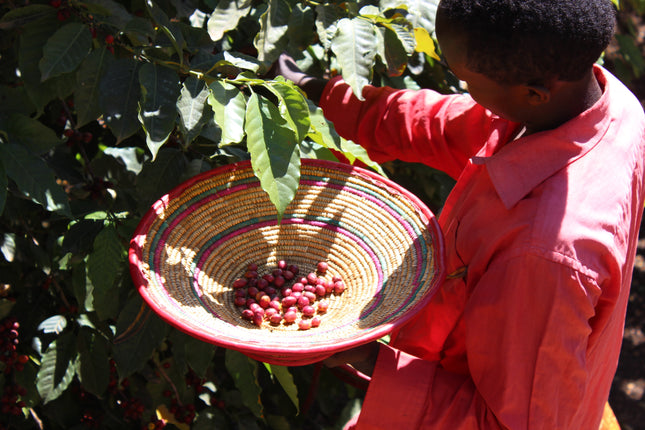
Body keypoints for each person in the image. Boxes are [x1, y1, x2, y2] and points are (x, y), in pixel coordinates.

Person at [274, 0, 645, 428]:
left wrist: (369, 357)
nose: (462, 89)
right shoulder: (604, 102)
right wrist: (324, 93)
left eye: (466, 79)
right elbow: (447, 124)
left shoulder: (541, 259)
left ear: (533, 92)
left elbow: (506, 423)